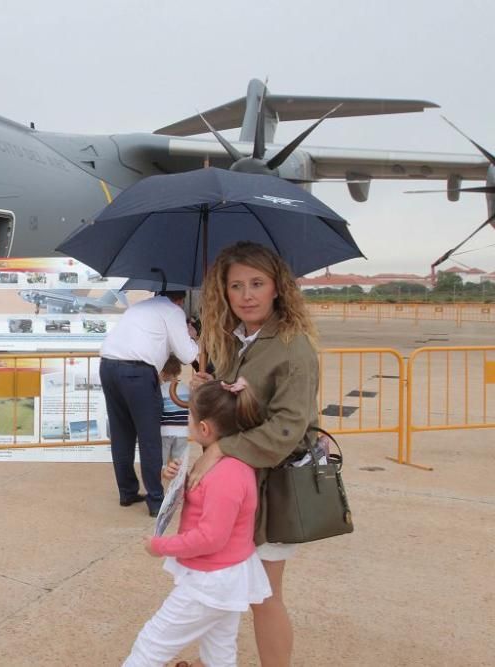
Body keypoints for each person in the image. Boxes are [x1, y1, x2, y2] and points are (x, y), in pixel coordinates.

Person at [191, 241, 320, 667]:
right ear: (223, 293)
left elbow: (287, 428)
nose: (247, 295)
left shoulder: (292, 346)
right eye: (236, 286)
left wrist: (222, 448)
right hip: (239, 487)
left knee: (264, 594)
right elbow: (235, 410)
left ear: (277, 288)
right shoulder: (236, 342)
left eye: (257, 283)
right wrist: (208, 390)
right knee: (225, 589)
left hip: (274, 487)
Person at [123, 379, 271, 667]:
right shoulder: (224, 463)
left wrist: (161, 546)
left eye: (189, 417)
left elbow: (210, 537)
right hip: (226, 577)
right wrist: (173, 478)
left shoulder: (225, 474)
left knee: (152, 644)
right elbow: (201, 504)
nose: (187, 423)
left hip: (210, 581)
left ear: (205, 429)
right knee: (219, 651)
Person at [99, 290, 198, 516]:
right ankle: (156, 500)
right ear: (180, 300)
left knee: (121, 432)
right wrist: (191, 335)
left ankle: (127, 491)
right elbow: (187, 355)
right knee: (149, 436)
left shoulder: (139, 307)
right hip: (137, 373)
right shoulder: (173, 311)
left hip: (108, 366)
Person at [159, 355, 190, 484]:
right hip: (183, 431)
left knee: (160, 461)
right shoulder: (187, 389)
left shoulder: (160, 390)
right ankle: (179, 485)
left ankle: (158, 484)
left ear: (162, 373)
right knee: (179, 460)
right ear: (178, 371)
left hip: (165, 431)